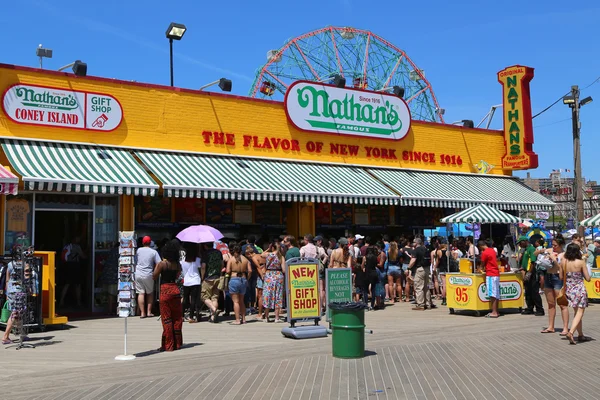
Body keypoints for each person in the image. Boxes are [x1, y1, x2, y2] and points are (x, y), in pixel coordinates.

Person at [153, 240, 183, 352]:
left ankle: (168, 345)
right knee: (177, 317)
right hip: (175, 290)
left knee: (166, 319)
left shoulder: (162, 264)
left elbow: (154, 276)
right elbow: (179, 274)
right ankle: (178, 343)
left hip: (165, 290)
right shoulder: (177, 264)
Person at [561, 242, 592, 344]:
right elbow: (588, 278)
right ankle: (571, 332)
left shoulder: (563, 261)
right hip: (579, 289)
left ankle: (580, 335)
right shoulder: (581, 262)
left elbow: (561, 277)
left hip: (569, 289)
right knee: (580, 312)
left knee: (576, 312)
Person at [538, 235, 569, 334]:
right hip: (548, 276)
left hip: (558, 278)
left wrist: (554, 259)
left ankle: (565, 328)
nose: (554, 247)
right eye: (553, 244)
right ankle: (551, 326)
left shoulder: (564, 254)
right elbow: (535, 254)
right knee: (551, 303)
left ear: (560, 245)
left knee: (562, 303)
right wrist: (541, 251)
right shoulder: (550, 250)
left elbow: (562, 268)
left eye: (555, 245)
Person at [135, 236, 161, 318]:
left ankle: (142, 313)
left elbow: (135, 261)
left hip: (138, 274)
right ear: (150, 243)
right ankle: (149, 312)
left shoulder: (138, 250)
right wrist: (155, 273)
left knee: (141, 293)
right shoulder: (153, 252)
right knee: (150, 293)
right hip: (148, 274)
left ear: (143, 243)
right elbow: (159, 263)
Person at [517, 236, 544, 316]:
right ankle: (530, 308)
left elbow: (533, 262)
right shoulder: (526, 250)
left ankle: (539, 309)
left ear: (524, 241)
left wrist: (529, 273)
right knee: (528, 292)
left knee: (534, 291)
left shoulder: (531, 249)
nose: (519, 245)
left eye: (520, 243)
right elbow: (526, 262)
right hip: (526, 271)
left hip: (532, 272)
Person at [226, 244, 252, 325]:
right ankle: (244, 319)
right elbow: (250, 270)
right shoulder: (246, 260)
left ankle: (237, 320)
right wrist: (247, 278)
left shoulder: (231, 259)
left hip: (234, 279)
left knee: (236, 302)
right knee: (242, 301)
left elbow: (227, 271)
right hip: (243, 279)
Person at [59, 236, 87, 308]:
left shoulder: (67, 246)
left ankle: (61, 301)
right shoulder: (76, 246)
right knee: (77, 285)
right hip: (75, 266)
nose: (80, 239)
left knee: (66, 284)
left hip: (67, 266)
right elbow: (83, 256)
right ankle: (79, 302)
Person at [262, 242, 286, 322]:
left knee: (268, 295)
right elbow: (284, 270)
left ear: (272, 247)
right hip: (278, 276)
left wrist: (268, 249)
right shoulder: (281, 257)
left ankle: (267, 316)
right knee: (278, 296)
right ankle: (277, 317)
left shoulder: (268, 255)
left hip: (269, 275)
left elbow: (262, 254)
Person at [201, 242, 224, 323]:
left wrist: (202, 277)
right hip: (217, 277)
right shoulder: (218, 252)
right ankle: (213, 317)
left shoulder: (205, 253)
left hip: (208, 278)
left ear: (205, 245)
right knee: (215, 297)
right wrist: (220, 274)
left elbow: (203, 266)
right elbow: (222, 264)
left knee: (204, 296)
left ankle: (214, 310)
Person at [410, 238, 435, 310]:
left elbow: (413, 260)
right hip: (427, 269)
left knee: (419, 287)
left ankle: (420, 304)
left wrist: (408, 268)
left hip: (420, 269)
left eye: (413, 242)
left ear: (416, 243)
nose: (412, 243)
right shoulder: (426, 249)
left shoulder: (415, 250)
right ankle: (428, 304)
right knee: (426, 287)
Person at [181, 242, 201, 323]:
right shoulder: (197, 260)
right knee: (193, 299)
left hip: (186, 281)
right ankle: (191, 316)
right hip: (195, 281)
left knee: (185, 299)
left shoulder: (183, 261)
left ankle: (181, 316)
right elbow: (200, 267)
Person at [479, 240, 500, 318]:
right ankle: (496, 311)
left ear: (481, 246)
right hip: (496, 273)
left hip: (491, 274)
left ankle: (494, 312)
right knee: (496, 293)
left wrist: (480, 269)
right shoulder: (493, 250)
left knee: (492, 293)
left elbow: (482, 264)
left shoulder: (485, 253)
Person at [362, 246, 379, 310]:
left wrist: (363, 268)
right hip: (374, 272)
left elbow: (362, 266)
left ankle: (366, 304)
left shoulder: (365, 257)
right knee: (373, 289)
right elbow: (376, 265)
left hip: (367, 273)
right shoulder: (375, 257)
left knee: (365, 290)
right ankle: (372, 305)